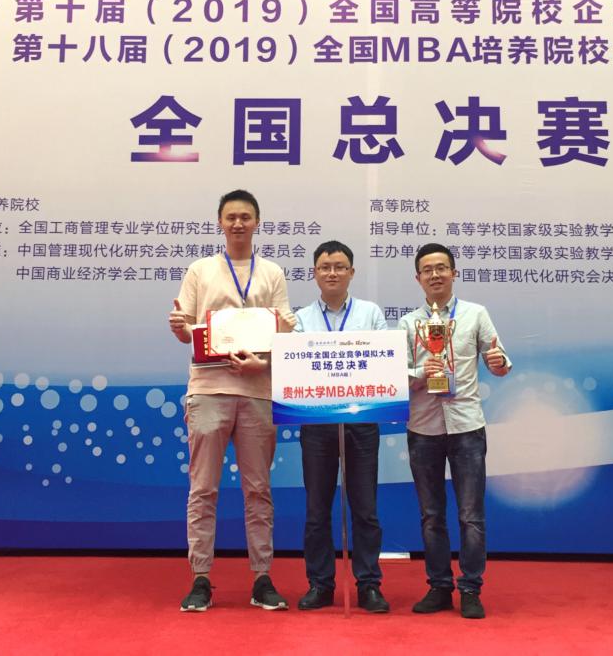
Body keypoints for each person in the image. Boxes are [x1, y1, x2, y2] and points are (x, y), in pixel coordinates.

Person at [167, 189, 295, 613]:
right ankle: (200, 578)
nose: (238, 223)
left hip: (258, 392)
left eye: (245, 217)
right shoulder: (200, 270)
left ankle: (262, 578)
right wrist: (180, 327)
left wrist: (265, 358)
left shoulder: (271, 273)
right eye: (231, 217)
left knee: (258, 490)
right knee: (203, 489)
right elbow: (186, 328)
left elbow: (285, 329)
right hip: (208, 390)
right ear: (219, 222)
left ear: (257, 222)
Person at [397, 243, 511, 620]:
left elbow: (498, 360)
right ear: (418, 278)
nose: (435, 275)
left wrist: (499, 362)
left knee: (470, 515)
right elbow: (397, 375)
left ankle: (471, 588)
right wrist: (421, 373)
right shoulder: (408, 324)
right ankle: (439, 587)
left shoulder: (475, 314)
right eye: (427, 270)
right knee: (431, 514)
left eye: (442, 268)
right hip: (423, 427)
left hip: (466, 426)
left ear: (454, 273)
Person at [293, 240, 391, 614]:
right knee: (317, 509)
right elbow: (294, 368)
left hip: (361, 419)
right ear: (314, 273)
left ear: (351, 272)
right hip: (317, 422)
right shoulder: (300, 319)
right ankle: (320, 584)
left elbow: (383, 362)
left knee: (365, 509)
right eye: (324, 267)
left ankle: (368, 584)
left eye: (339, 266)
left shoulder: (371, 313)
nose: (331, 272)